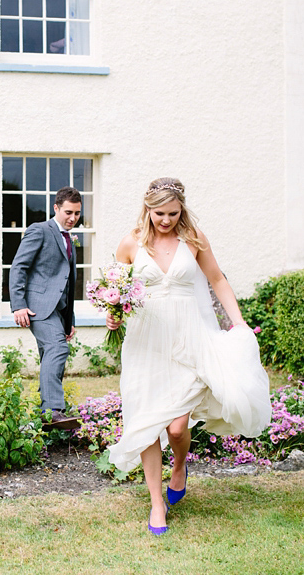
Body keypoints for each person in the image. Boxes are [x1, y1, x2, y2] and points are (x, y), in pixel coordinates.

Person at [104, 177, 271, 536]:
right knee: (147, 420)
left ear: (182, 210)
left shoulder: (193, 239)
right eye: (159, 213)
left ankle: (179, 464)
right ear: (147, 209)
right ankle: (155, 503)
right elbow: (115, 290)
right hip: (146, 342)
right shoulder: (130, 243)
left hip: (188, 337)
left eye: (172, 213)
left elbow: (218, 280)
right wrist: (112, 312)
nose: (165, 220)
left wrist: (238, 322)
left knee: (177, 426)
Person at [9, 186, 82, 429]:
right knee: (57, 349)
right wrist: (18, 305)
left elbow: (69, 283)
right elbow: (19, 267)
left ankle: (46, 418)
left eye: (77, 214)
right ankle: (52, 410)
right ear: (56, 208)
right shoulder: (40, 230)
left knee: (51, 355)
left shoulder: (69, 239)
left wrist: (68, 318)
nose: (72, 218)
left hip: (58, 311)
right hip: (36, 307)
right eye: (68, 212)